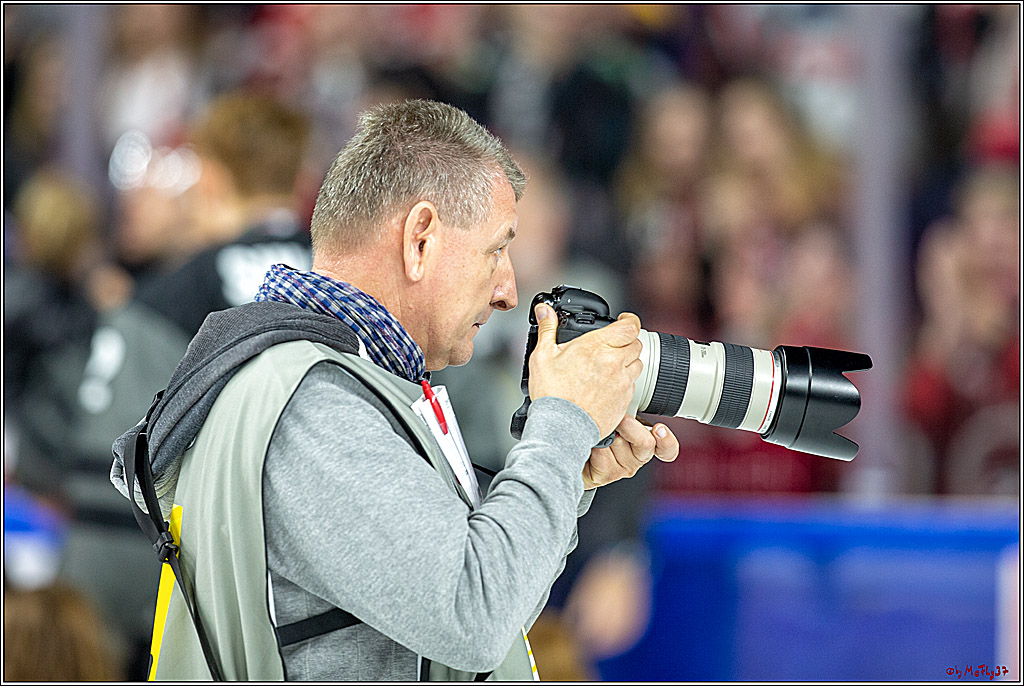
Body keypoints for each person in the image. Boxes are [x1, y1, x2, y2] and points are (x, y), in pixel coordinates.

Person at [110, 99, 678, 681]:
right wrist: (560, 423)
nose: (509, 290)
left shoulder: (333, 383)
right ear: (420, 239)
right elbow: (473, 620)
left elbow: (487, 614)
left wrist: (565, 475)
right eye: (496, 249)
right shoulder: (313, 405)